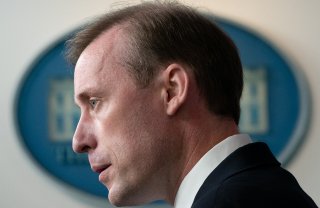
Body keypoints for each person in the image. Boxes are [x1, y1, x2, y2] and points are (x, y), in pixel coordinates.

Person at [66, 1, 318, 208]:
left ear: (172, 91)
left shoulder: (235, 202)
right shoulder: (258, 192)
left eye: (95, 102)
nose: (78, 141)